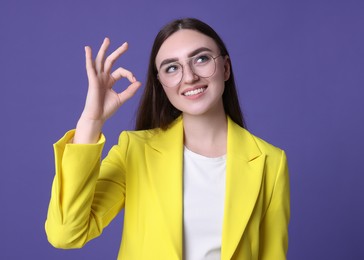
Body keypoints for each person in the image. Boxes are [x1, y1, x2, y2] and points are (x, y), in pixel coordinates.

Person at [45, 18, 290, 260]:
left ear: (225, 68)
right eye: (172, 68)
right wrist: (91, 121)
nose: (189, 77)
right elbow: (66, 234)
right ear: (161, 83)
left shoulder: (270, 162)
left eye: (201, 59)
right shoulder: (135, 151)